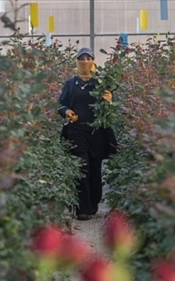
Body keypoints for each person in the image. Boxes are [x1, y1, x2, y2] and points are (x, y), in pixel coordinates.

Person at [58, 47, 118, 221]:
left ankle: (93, 204)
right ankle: (82, 208)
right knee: (81, 167)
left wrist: (109, 99)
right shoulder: (70, 83)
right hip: (76, 131)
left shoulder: (100, 83)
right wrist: (67, 111)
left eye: (88, 58)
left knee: (95, 169)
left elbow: (110, 109)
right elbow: (61, 103)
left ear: (93, 60)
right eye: (81, 58)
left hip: (96, 131)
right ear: (76, 61)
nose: (85, 62)